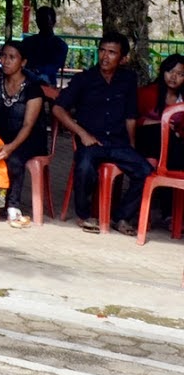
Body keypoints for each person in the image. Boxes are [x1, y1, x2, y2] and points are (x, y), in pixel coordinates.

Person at [52, 33, 152, 235]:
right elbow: (58, 109)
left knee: (145, 171)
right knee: (84, 167)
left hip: (118, 142)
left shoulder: (128, 80)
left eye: (112, 52)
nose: (105, 56)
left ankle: (121, 217)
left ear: (123, 58)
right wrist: (81, 133)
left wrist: (131, 145)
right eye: (102, 50)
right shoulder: (84, 79)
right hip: (91, 141)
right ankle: (85, 215)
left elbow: (131, 116)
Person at [0, 41, 48, 229]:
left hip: (29, 139)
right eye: (3, 56)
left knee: (13, 159)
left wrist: (9, 147)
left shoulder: (33, 88)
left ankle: (13, 205)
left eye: (12, 57)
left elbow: (28, 124)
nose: (5, 61)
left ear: (23, 62)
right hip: (3, 136)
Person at [137, 53, 184, 161]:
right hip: (146, 143)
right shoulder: (146, 93)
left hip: (174, 146)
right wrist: (162, 124)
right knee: (155, 132)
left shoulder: (182, 99)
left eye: (180, 74)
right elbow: (132, 120)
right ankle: (151, 173)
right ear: (163, 72)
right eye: (170, 71)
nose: (173, 77)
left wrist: (177, 132)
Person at [20, 5, 68, 87]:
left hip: (46, 83)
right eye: (39, 19)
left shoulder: (60, 45)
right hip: (26, 80)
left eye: (45, 20)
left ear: (53, 22)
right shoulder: (27, 42)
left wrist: (37, 70)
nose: (42, 23)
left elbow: (55, 66)